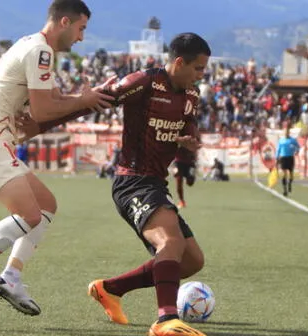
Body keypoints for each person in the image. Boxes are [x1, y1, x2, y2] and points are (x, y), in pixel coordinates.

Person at [0, 0, 115, 321]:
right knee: (30, 214)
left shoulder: (35, 46)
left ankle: (11, 277)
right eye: (81, 29)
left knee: (46, 205)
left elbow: (48, 103)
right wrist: (85, 99)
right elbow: (44, 111)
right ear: (64, 22)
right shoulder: (41, 51)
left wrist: (82, 99)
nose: (81, 38)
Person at [87, 33, 210, 336]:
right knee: (171, 243)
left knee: (192, 261)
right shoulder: (144, 82)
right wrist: (41, 118)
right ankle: (165, 320)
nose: (201, 75)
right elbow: (99, 99)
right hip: (132, 181)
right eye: (198, 69)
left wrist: (189, 146)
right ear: (179, 62)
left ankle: (110, 288)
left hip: (156, 183)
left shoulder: (191, 96)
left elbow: (190, 137)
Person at [275, 127, 300, 196]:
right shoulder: (281, 140)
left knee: (291, 174)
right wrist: (276, 157)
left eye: (287, 132)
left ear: (289, 133)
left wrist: (297, 151)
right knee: (284, 174)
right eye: (285, 132)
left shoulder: (292, 140)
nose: (286, 133)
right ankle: (285, 190)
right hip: (283, 158)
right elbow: (278, 149)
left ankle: (290, 183)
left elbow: (298, 146)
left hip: (290, 157)